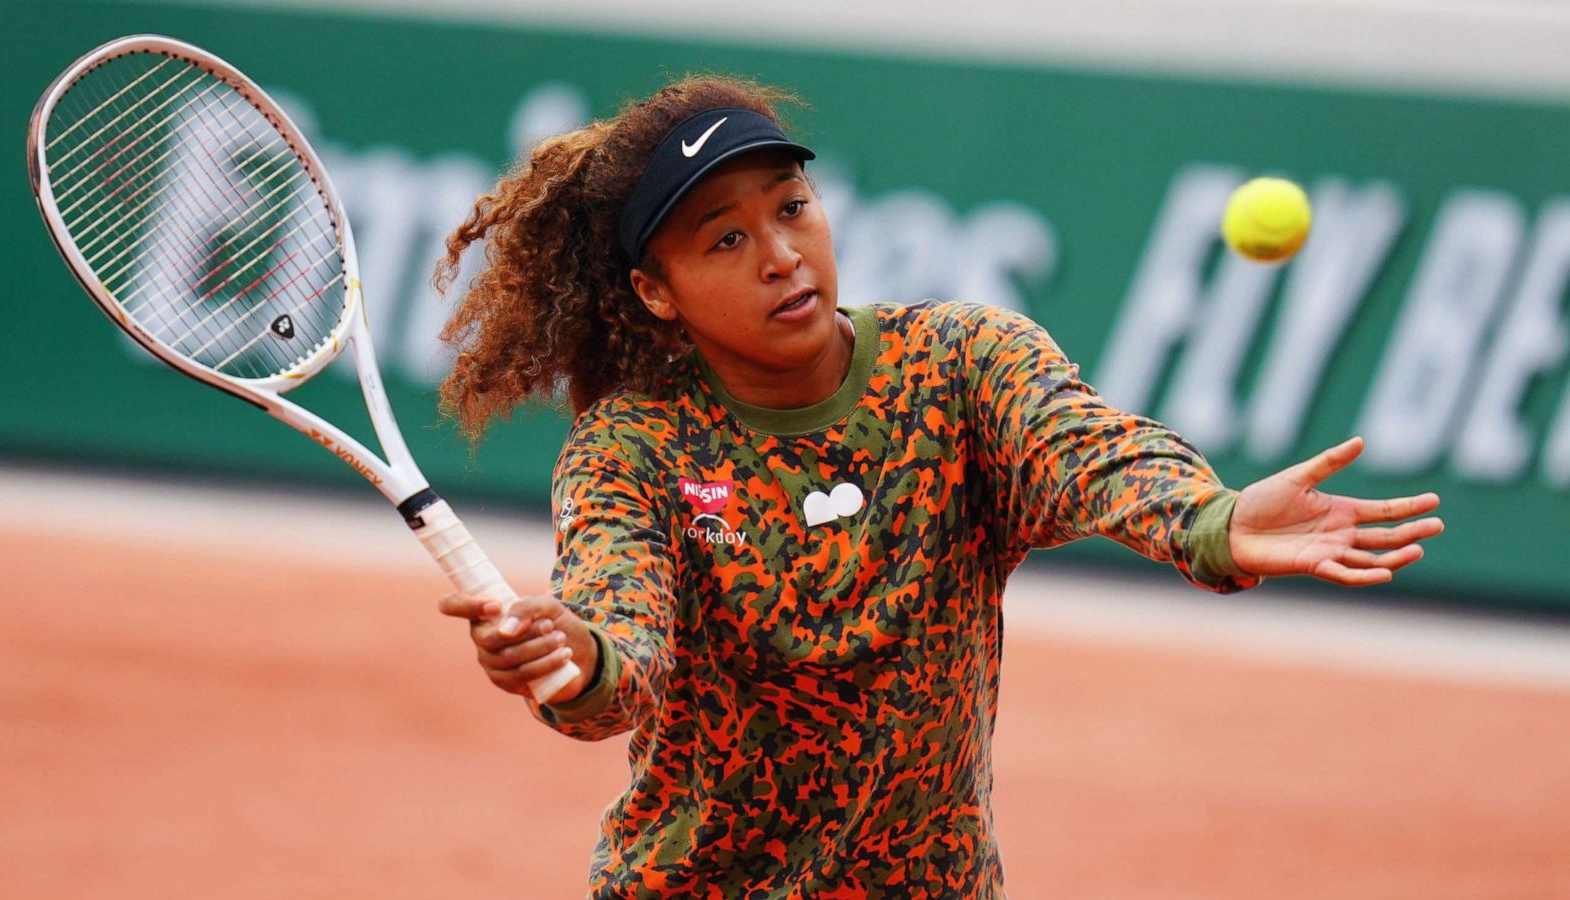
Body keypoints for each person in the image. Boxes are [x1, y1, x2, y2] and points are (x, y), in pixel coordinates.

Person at [432, 75, 1442, 898]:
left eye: (791, 208)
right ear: (657, 292)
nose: (782, 256)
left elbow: (1083, 451)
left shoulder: (958, 365)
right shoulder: (633, 451)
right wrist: (573, 657)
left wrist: (1209, 520)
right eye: (724, 240)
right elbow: (619, 649)